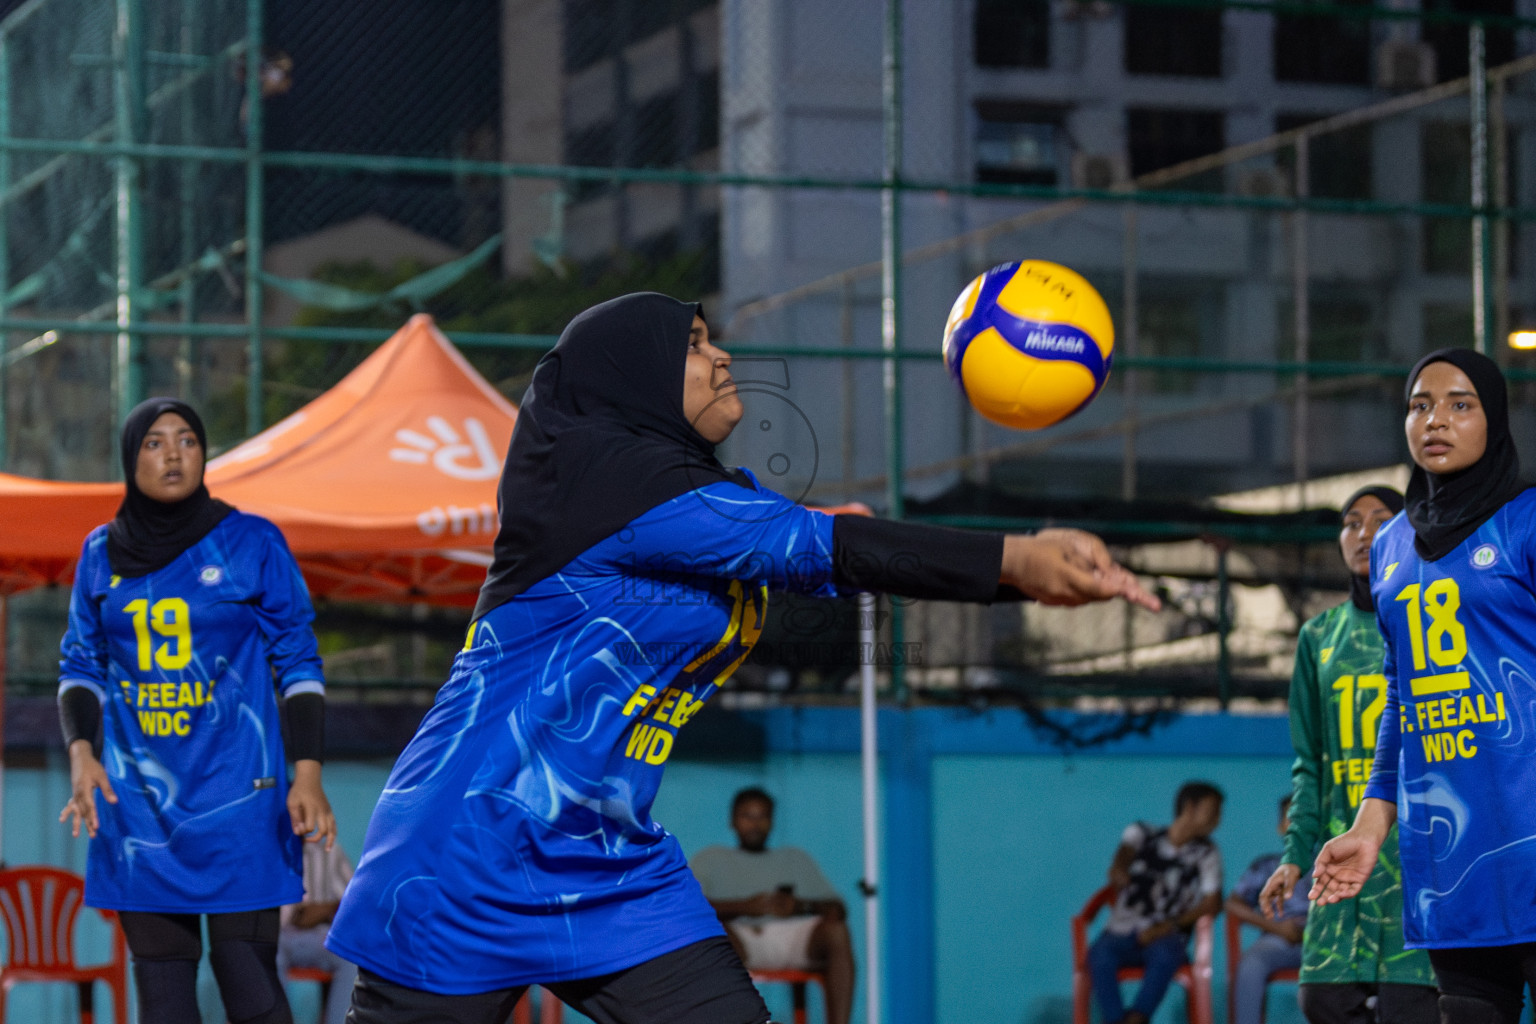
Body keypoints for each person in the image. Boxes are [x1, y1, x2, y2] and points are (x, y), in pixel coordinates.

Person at [325, 292, 1160, 1024]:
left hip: (611, 865)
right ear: (633, 374)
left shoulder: (686, 497)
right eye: (692, 342)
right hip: (466, 853)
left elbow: (821, 547)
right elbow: (815, 546)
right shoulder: (605, 477)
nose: (722, 354)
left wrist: (1027, 578)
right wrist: (1018, 559)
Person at [57, 398, 337, 1024]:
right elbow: (80, 666)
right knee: (163, 1002)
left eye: (187, 439)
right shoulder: (100, 553)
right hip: (140, 809)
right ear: (131, 460)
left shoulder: (252, 541)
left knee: (250, 984)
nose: (173, 453)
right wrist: (82, 755)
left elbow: (298, 662)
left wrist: (309, 773)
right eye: (154, 443)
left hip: (241, 799)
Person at [1310, 348, 1536, 1024]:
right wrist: (1372, 821)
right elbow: (1401, 696)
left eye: (1460, 404)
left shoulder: (1526, 522)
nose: (1436, 419)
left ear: (1493, 420)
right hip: (1451, 862)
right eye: (1420, 405)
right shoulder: (1392, 545)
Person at [1259, 487, 1437, 1024]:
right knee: (1323, 1003)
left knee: (1414, 1009)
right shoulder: (1319, 638)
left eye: (1381, 520)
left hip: (1417, 862)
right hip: (1342, 864)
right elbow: (1308, 765)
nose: (1363, 533)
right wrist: (1295, 855)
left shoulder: (1432, 623)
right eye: (1350, 522)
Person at [690, 787, 854, 1024]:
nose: (755, 824)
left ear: (771, 821)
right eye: (747, 816)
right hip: (737, 940)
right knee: (711, 932)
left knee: (836, 929)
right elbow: (691, 910)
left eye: (762, 817)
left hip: (793, 939)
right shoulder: (711, 859)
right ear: (732, 822)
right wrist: (746, 907)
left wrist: (800, 906)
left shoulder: (795, 858)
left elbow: (837, 909)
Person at [1088, 781, 1224, 1024]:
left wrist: (1167, 925)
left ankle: (1138, 1018)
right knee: (1100, 955)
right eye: (1213, 811)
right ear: (1190, 807)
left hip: (1167, 935)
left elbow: (1212, 903)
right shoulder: (1142, 833)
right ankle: (1116, 1020)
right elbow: (1124, 853)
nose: (1217, 820)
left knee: (1166, 953)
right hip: (1121, 931)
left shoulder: (1207, 853)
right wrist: (1119, 868)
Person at [1227, 796, 1309, 1024]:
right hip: (1277, 940)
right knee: (1251, 965)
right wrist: (1277, 928)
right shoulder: (1267, 866)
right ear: (1281, 827)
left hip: (1324, 944)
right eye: (1292, 819)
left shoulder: (1332, 864)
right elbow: (1233, 904)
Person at [277, 840, 359, 1024]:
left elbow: (352, 901)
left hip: (322, 938)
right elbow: (281, 919)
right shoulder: (275, 853)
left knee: (350, 958)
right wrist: (303, 913)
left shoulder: (331, 852)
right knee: (267, 953)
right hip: (284, 937)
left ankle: (339, 1021)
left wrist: (321, 910)